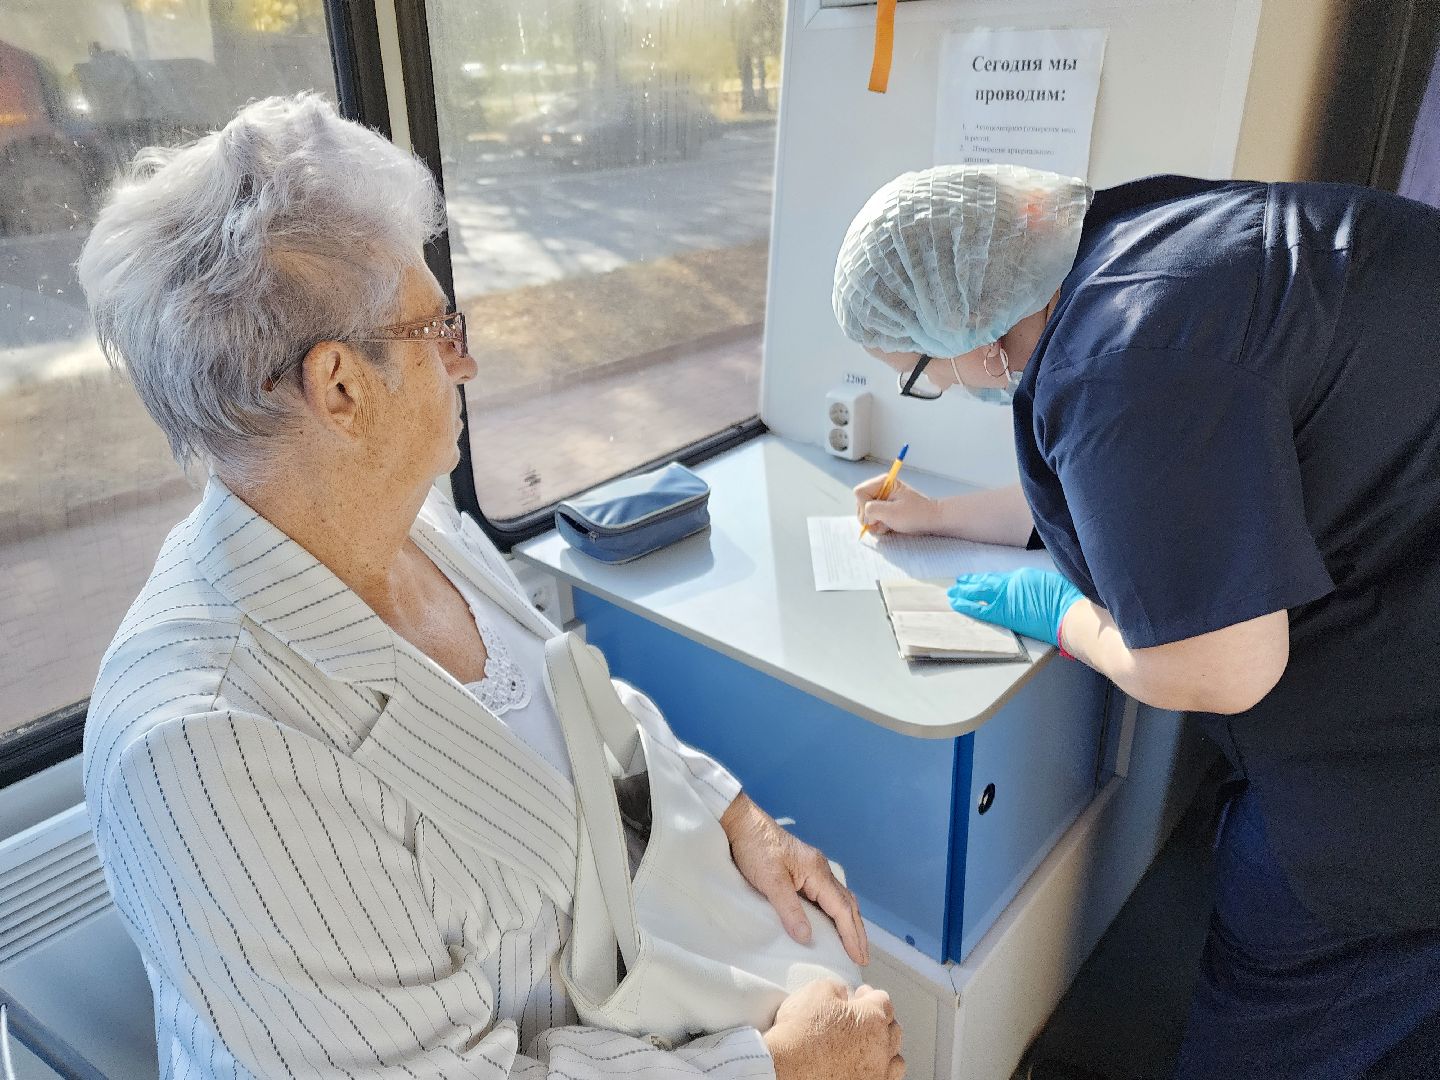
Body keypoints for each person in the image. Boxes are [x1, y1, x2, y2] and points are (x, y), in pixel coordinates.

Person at [79, 93, 904, 1080]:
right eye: (439, 329)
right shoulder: (209, 751)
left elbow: (573, 704)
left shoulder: (414, 525)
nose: (466, 362)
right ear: (341, 387)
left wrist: (735, 815)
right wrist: (774, 1069)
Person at [832, 163, 1440, 1078]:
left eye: (920, 374)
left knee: (1290, 1012)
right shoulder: (1137, 247)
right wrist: (945, 516)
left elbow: (1223, 669)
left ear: (968, 324)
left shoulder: (1116, 354)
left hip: (1397, 763)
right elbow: (1141, 474)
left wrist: (1069, 616)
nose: (941, 389)